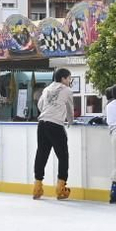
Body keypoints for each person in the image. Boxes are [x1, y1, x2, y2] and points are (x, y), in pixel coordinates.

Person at [33, 67, 76, 200]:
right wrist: (70, 121)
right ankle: (60, 188)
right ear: (63, 79)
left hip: (42, 124)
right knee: (63, 156)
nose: (69, 81)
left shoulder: (47, 89)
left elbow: (40, 106)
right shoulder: (67, 90)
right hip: (55, 125)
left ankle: (37, 187)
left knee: (41, 154)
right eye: (69, 78)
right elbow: (70, 109)